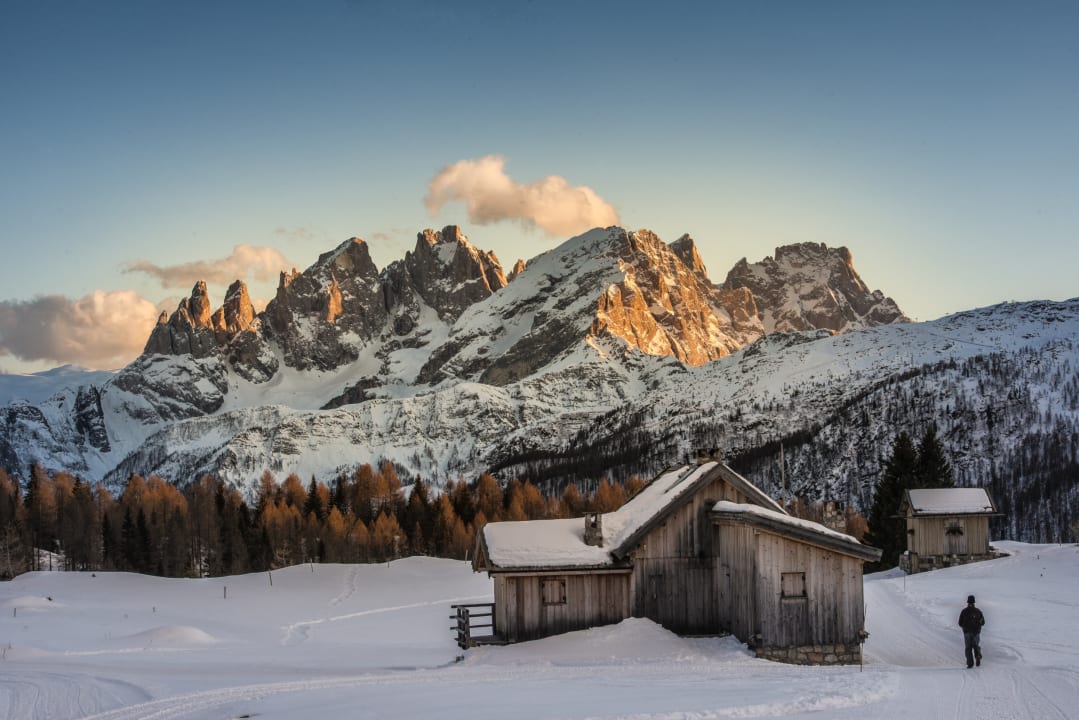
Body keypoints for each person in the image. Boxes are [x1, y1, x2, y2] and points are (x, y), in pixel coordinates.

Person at [958, 594, 985, 668]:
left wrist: (964, 627)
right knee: (976, 645)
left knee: (968, 648)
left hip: (967, 632)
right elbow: (983, 622)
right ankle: (978, 655)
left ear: (968, 602)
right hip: (976, 632)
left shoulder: (964, 611)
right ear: (974, 602)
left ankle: (970, 663)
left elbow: (960, 623)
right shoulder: (978, 611)